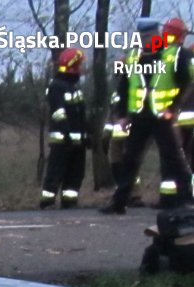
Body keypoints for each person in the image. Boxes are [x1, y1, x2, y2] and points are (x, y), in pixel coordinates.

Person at [102, 17, 194, 215]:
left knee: (173, 158)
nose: (146, 39)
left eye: (149, 35)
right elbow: (125, 86)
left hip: (162, 116)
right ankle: (119, 202)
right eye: (143, 36)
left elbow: (186, 82)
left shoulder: (174, 54)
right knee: (130, 159)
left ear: (157, 34)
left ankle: (186, 199)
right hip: (139, 116)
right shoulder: (134, 56)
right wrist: (123, 115)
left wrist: (174, 107)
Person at [40, 47, 88, 209]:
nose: (81, 69)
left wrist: (86, 135)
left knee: (75, 174)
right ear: (74, 66)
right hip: (62, 140)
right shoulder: (57, 86)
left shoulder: (73, 87)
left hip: (77, 142)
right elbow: (58, 113)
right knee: (56, 171)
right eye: (79, 65)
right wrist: (66, 133)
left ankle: (69, 202)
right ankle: (48, 201)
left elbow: (81, 115)